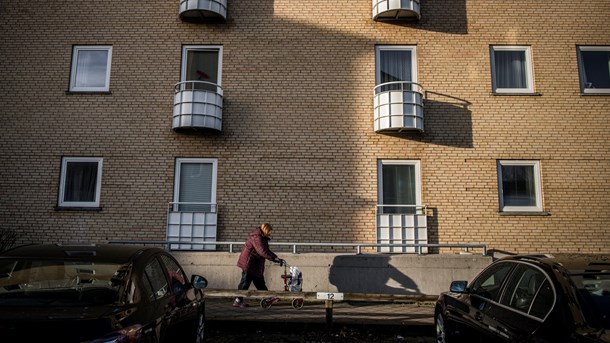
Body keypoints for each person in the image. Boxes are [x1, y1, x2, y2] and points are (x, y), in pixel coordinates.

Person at [233, 223, 284, 308]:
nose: (270, 233)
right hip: (249, 263)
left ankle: (267, 297)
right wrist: (274, 258)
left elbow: (266, 250)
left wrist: (275, 258)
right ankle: (237, 301)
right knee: (245, 283)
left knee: (259, 282)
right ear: (265, 230)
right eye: (269, 231)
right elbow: (262, 251)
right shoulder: (257, 237)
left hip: (255, 264)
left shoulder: (261, 237)